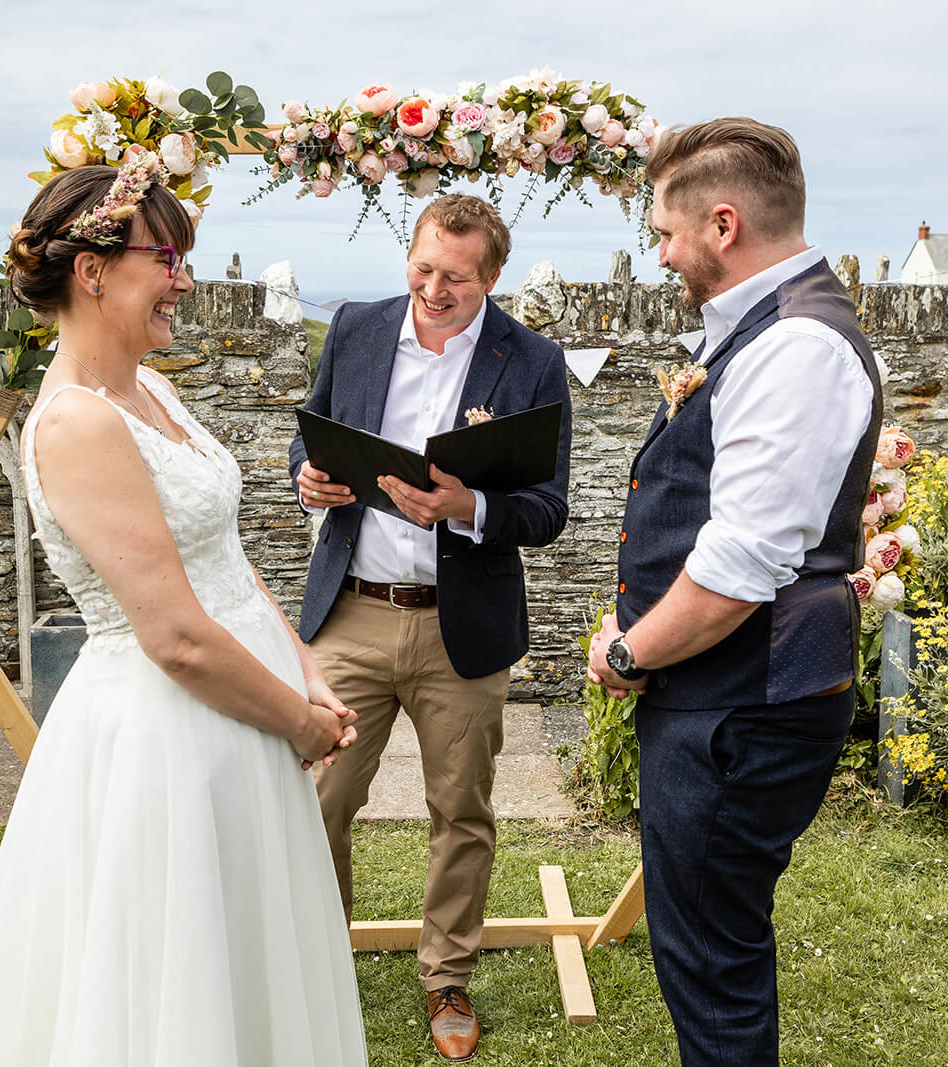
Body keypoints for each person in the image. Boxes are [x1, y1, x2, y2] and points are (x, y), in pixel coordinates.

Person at [0, 157, 367, 1066]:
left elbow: (225, 568)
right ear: (93, 271)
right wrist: (299, 723)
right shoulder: (77, 422)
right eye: (165, 258)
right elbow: (171, 634)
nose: (186, 280)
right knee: (175, 984)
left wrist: (307, 668)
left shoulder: (152, 388)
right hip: (174, 741)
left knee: (251, 969)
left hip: (247, 715)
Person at [585, 118, 882, 1066]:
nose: (661, 254)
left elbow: (740, 568)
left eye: (665, 233)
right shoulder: (765, 328)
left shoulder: (795, 347)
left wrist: (631, 651)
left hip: (740, 707)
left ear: (722, 225)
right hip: (727, 698)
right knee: (705, 939)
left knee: (711, 957)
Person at [289, 194, 571, 1062]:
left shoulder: (533, 361)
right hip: (352, 613)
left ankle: (447, 973)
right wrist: (309, 478)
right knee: (317, 800)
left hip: (464, 626)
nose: (433, 288)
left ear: (491, 276)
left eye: (455, 275)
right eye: (421, 267)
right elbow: (311, 434)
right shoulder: (359, 328)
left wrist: (469, 505)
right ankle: (316, 964)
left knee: (461, 809)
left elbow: (549, 507)